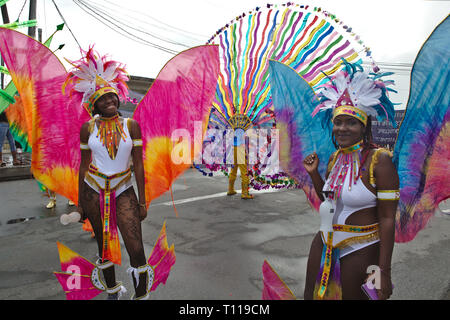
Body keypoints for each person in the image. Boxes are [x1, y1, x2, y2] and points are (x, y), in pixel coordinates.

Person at [302, 63, 399, 300]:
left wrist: (383, 271)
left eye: (351, 122)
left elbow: (387, 218)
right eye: (338, 122)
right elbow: (330, 200)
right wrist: (315, 174)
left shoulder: (380, 160)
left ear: (363, 125)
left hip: (361, 247)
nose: (342, 128)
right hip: (323, 242)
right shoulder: (335, 157)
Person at [66, 47, 150, 299]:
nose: (110, 102)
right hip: (93, 190)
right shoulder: (86, 128)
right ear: (95, 104)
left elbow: (138, 165)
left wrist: (143, 201)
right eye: (104, 99)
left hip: (124, 189)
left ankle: (141, 294)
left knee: (135, 246)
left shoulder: (131, 125)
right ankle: (112, 289)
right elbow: (83, 165)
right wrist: (80, 202)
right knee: (103, 245)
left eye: (112, 97)